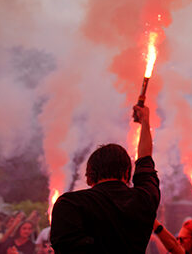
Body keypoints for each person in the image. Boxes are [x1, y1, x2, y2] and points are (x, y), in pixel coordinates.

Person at [50, 104, 160, 253]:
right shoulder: (144, 200)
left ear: (89, 177)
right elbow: (145, 160)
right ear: (127, 173)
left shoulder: (70, 204)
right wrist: (145, 121)